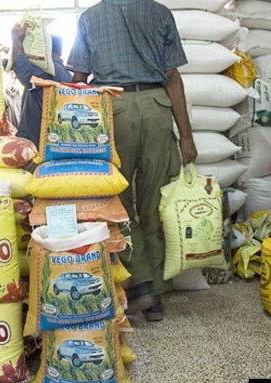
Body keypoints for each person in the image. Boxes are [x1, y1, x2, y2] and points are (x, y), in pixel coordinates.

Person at [68, 0, 198, 321]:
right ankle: (156, 295)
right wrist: (186, 137)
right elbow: (172, 76)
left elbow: (79, 79)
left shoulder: (90, 17)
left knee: (118, 202)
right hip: (156, 107)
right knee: (157, 202)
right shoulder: (160, 13)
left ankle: (141, 284)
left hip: (113, 111)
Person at [10, 25, 72, 145]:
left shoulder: (51, 71)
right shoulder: (64, 73)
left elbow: (24, 73)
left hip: (40, 145)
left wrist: (16, 41)